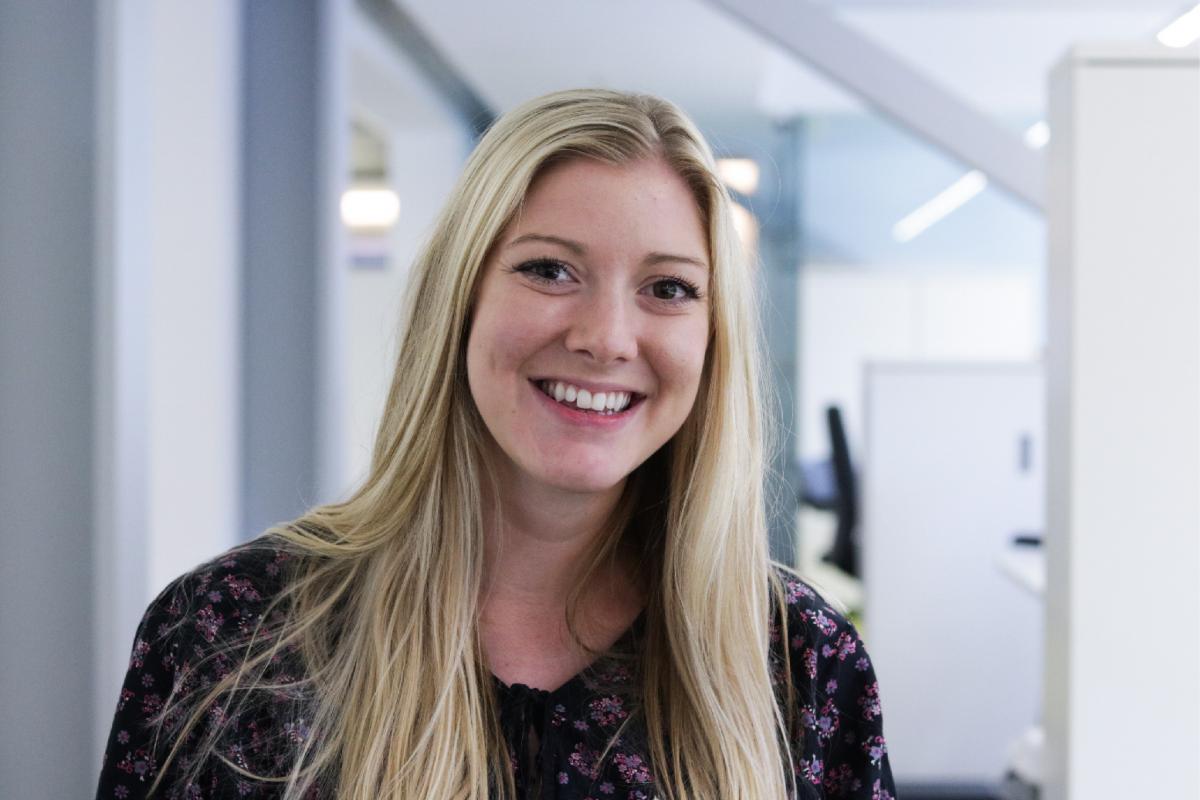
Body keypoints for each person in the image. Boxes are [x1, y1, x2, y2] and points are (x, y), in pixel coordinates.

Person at [96, 88, 896, 800]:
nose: (607, 338)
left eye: (669, 289)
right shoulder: (232, 638)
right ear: (461, 299)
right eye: (550, 270)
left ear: (714, 338)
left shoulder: (799, 666)